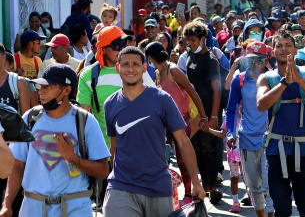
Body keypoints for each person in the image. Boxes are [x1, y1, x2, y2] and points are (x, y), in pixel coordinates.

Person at [102, 47, 205, 216]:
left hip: (157, 188)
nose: (130, 68)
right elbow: (114, 148)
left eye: (135, 64)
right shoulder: (110, 104)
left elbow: (183, 141)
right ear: (117, 68)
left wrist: (195, 181)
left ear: (144, 68)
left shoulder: (162, 99)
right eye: (125, 64)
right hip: (121, 187)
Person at [0, 64, 110, 217]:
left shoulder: (85, 121)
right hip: (33, 208)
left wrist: (73, 159)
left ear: (66, 90)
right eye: (40, 86)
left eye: (48, 86)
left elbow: (103, 170)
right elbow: (18, 165)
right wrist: (7, 203)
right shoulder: (30, 118)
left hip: (75, 209)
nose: (41, 91)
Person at [76, 26, 155, 207]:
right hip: (105, 155)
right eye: (116, 45)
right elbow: (84, 117)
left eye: (123, 43)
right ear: (102, 49)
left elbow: (154, 104)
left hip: (139, 152)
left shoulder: (135, 69)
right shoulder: (89, 75)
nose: (122, 48)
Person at [257, 30, 305, 217]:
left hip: (304, 149)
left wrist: (299, 81)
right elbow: (261, 105)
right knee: (281, 208)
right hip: (275, 150)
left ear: (296, 50)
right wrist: (285, 83)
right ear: (272, 51)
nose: (284, 49)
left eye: (288, 45)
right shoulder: (266, 78)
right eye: (279, 46)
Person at [144, 41, 208, 205]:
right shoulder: (159, 72)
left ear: (149, 58)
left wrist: (204, 117)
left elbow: (192, 91)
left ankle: (189, 194)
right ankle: (165, 194)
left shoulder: (173, 70)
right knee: (163, 159)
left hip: (181, 121)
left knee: (182, 159)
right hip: (164, 124)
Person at [226, 41, 274, 217]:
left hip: (269, 140)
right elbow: (231, 110)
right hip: (246, 140)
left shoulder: (273, 78)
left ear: (266, 59)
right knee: (254, 189)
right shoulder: (238, 80)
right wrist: (231, 133)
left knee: (269, 188)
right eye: (251, 60)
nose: (255, 64)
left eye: (259, 60)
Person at [184, 21, 223, 203]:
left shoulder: (211, 59)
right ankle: (205, 186)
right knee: (197, 149)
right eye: (188, 40)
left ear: (203, 39)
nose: (190, 43)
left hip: (208, 111)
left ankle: (213, 185)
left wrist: (213, 116)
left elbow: (217, 89)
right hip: (194, 113)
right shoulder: (190, 56)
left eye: (193, 40)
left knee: (209, 148)